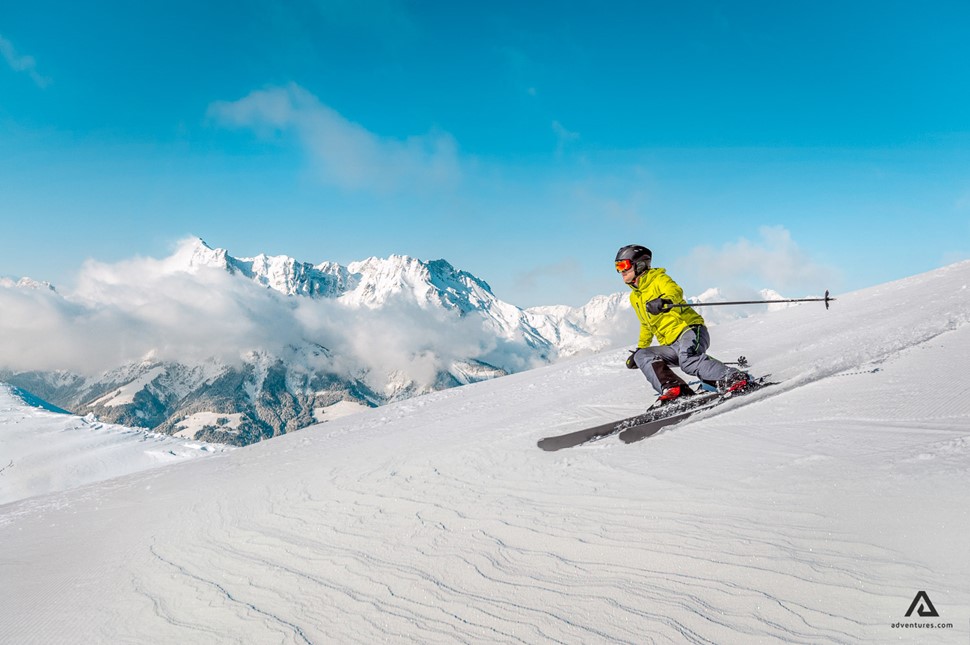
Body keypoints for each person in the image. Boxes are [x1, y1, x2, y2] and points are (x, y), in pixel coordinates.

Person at [615, 244, 748, 404]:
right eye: (617, 266)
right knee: (643, 355)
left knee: (688, 360)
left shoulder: (659, 279)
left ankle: (734, 378)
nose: (620, 271)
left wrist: (665, 300)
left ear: (640, 265)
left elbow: (675, 291)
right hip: (671, 345)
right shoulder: (635, 297)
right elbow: (646, 325)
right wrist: (638, 350)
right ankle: (675, 390)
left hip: (690, 330)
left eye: (623, 265)